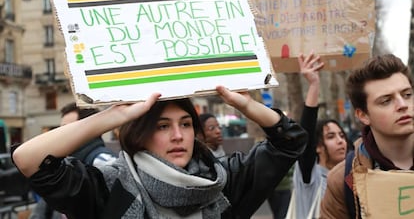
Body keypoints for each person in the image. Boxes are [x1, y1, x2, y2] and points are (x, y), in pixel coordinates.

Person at [12, 86, 308, 218]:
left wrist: (246, 105)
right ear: (140, 134)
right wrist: (113, 116)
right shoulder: (108, 187)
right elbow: (28, 159)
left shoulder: (224, 181)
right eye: (163, 126)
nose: (178, 135)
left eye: (186, 123)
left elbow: (291, 141)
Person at [320, 54, 414, 218]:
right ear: (363, 115)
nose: (402, 105)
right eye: (386, 101)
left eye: (407, 95)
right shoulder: (344, 180)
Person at [285, 52, 350, 219]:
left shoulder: (351, 176)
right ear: (318, 147)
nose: (340, 141)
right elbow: (306, 132)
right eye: (331, 136)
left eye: (341, 135)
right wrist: (314, 84)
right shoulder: (310, 176)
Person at [29, 102, 118, 219]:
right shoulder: (66, 161)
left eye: (68, 128)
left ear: (88, 129)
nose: (61, 134)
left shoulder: (102, 161)